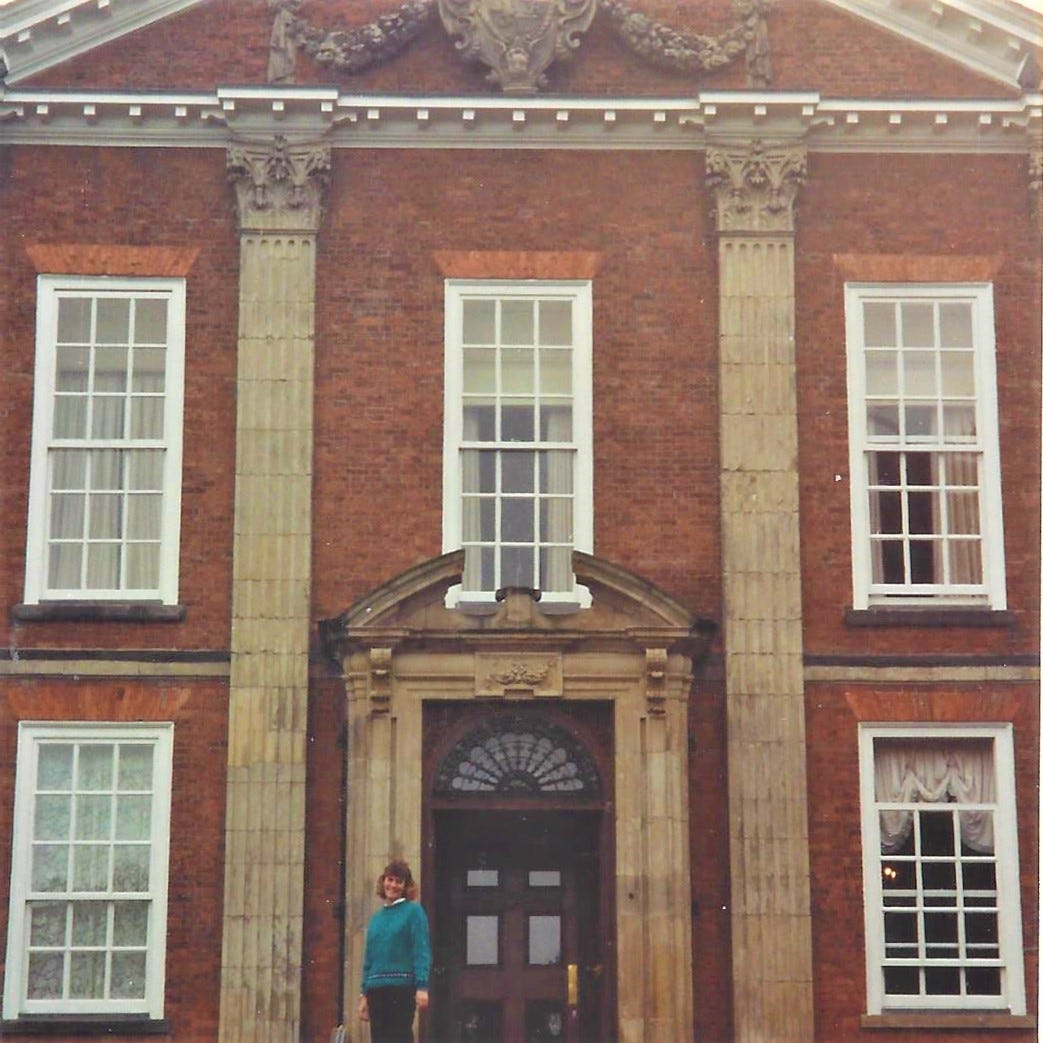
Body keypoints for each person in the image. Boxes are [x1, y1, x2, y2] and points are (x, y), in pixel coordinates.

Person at [358, 859, 431, 1043]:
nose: (393, 885)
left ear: (405, 886)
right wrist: (364, 994)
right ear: (383, 881)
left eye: (399, 881)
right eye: (390, 880)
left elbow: (421, 950)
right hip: (376, 991)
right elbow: (369, 959)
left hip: (401, 989)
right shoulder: (376, 919)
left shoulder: (414, 912)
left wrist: (422, 986)